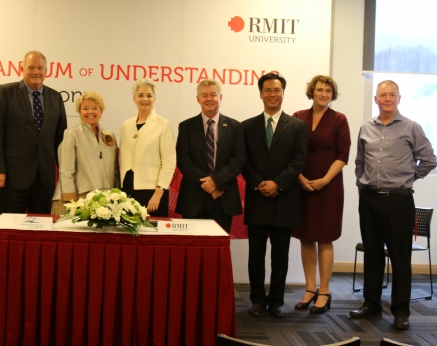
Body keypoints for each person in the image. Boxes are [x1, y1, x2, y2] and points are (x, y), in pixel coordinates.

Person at [350, 80, 436, 331]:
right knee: (373, 255)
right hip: (369, 200)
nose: (387, 99)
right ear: (376, 99)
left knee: (401, 258)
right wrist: (362, 183)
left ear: (399, 98)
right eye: (382, 95)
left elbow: (429, 160)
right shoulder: (366, 127)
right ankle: (371, 304)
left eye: (392, 95)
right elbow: (358, 162)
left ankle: (401, 311)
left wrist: (408, 178)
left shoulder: (412, 127)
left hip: (399, 201)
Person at [242, 72, 307, 318]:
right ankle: (257, 299)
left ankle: (276, 300)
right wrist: (260, 183)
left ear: (283, 93)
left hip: (285, 199)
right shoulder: (247, 126)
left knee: (281, 256)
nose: (272, 94)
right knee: (256, 256)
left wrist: (277, 184)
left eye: (277, 90)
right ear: (261, 94)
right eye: (268, 90)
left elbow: (299, 160)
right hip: (257, 198)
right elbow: (243, 161)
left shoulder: (298, 126)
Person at [292, 75, 351, 314]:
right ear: (311, 91)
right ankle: (310, 288)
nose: (324, 94)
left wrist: (325, 179)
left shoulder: (339, 119)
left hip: (329, 186)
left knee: (324, 238)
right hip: (302, 183)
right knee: (306, 236)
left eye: (328, 90)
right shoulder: (298, 117)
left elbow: (343, 155)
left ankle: (324, 291)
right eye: (319, 89)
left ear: (332, 94)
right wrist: (300, 178)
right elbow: (291, 152)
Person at [0, 50, 67, 214]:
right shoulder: (6, 92)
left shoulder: (55, 97)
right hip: (13, 178)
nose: (36, 72)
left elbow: (61, 140)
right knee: (10, 228)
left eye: (40, 68)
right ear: (22, 69)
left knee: (41, 229)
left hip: (44, 179)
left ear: (47, 71)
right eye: (31, 67)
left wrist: (64, 176)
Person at [176, 79, 246, 233]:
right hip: (193, 198)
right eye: (204, 95)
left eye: (213, 95)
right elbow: (184, 160)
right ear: (198, 99)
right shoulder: (186, 126)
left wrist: (216, 182)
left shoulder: (235, 127)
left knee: (218, 251)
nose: (209, 99)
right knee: (191, 252)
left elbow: (238, 160)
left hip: (223, 196)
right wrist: (208, 185)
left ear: (221, 97)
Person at [51, 91, 119, 213]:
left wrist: (117, 197)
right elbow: (66, 170)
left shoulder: (110, 136)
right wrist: (71, 201)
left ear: (101, 111)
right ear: (79, 112)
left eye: (94, 108)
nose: (90, 112)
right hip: (77, 199)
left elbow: (115, 171)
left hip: (105, 200)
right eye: (85, 108)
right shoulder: (71, 134)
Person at [119, 78, 176, 216]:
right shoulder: (126, 125)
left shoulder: (163, 124)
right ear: (134, 98)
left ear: (155, 99)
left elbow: (169, 162)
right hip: (127, 188)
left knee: (152, 234)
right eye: (140, 95)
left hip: (152, 191)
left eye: (149, 95)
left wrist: (158, 192)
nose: (145, 99)